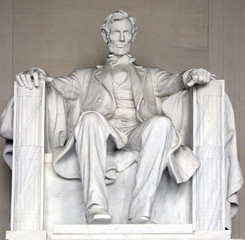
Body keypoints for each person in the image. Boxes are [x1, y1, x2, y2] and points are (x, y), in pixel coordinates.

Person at [15, 10, 213, 224]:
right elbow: (54, 83)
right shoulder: (85, 77)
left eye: (126, 32)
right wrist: (34, 72)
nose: (121, 38)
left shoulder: (150, 76)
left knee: (162, 124)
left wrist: (191, 75)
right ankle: (96, 206)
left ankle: (140, 213)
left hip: (137, 133)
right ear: (105, 35)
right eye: (116, 32)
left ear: (133, 35)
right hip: (103, 134)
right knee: (89, 118)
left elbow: (175, 82)